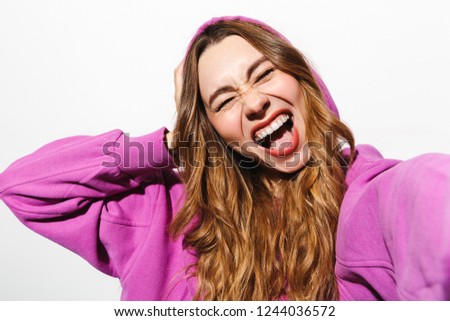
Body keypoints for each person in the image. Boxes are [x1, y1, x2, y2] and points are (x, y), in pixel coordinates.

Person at [0, 16, 449, 301]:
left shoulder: (364, 192)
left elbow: (426, 198)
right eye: (225, 99)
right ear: (214, 132)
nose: (253, 103)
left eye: (264, 74)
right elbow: (23, 188)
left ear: (303, 80)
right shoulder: (166, 215)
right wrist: (174, 143)